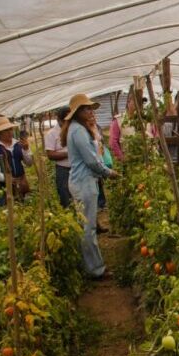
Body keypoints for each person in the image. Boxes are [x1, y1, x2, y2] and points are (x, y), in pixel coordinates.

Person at [61, 93, 118, 279]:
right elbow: (91, 161)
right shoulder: (77, 131)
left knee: (87, 226)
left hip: (84, 181)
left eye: (90, 108)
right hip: (84, 183)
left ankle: (89, 266)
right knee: (88, 229)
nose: (90, 111)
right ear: (77, 112)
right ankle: (95, 270)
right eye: (86, 108)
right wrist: (108, 172)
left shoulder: (78, 128)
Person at [0, 117, 33, 204]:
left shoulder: (18, 144)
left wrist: (26, 150)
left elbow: (29, 163)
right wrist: (4, 178)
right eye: (6, 130)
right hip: (2, 185)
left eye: (10, 129)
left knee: (21, 205)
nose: (10, 132)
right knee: (5, 208)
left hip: (20, 183)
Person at [45, 106, 72, 207]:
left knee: (80, 196)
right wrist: (69, 153)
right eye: (65, 121)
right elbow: (50, 154)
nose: (68, 123)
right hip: (63, 170)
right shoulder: (51, 134)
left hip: (77, 168)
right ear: (59, 120)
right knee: (65, 197)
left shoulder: (73, 130)